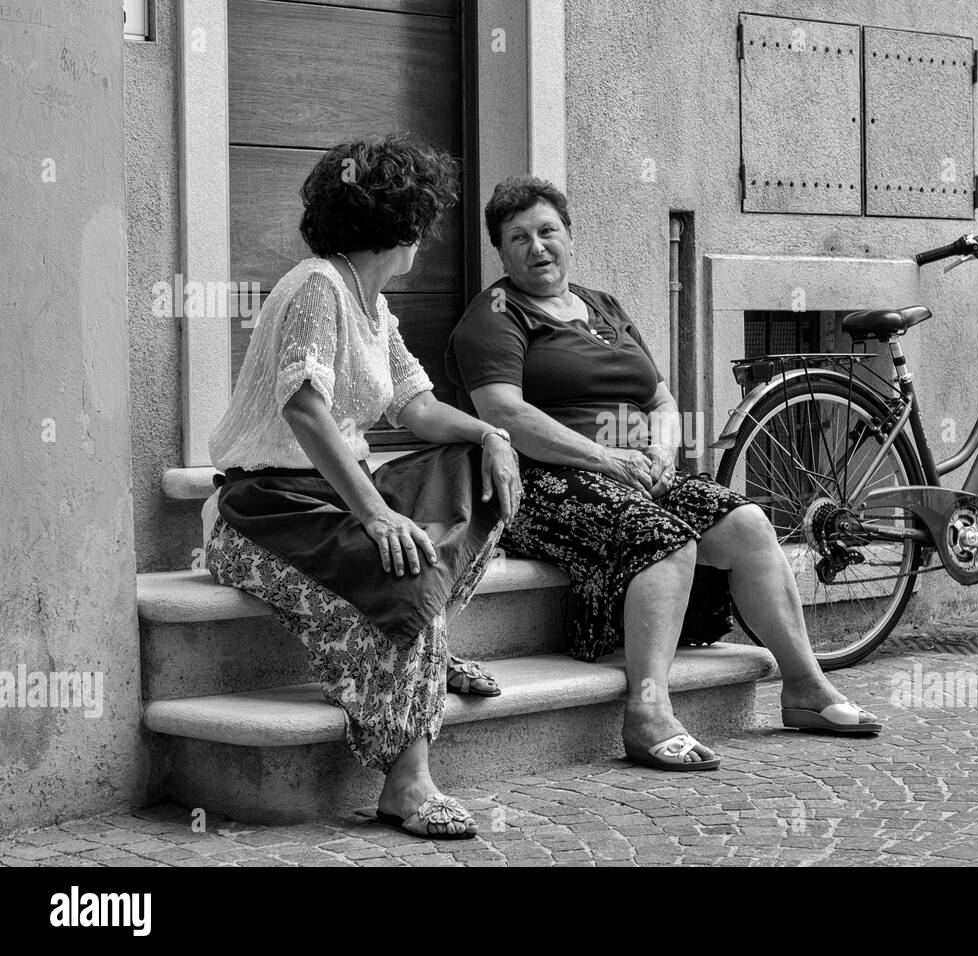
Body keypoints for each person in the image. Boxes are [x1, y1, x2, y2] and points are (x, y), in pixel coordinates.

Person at [445, 176, 883, 772]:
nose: (536, 247)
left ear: (569, 236)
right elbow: (505, 414)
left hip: (635, 468)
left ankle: (805, 687)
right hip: (543, 479)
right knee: (665, 538)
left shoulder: (603, 306)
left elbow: (661, 398)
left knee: (749, 523)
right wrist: (609, 457)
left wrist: (664, 455)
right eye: (517, 238)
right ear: (500, 250)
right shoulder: (495, 313)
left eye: (548, 231)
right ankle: (647, 711)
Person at [203, 135, 523, 838]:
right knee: (400, 573)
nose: (428, 235)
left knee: (475, 476)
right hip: (266, 507)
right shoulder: (318, 285)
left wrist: (489, 436)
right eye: (426, 220)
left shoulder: (372, 305)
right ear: (408, 225)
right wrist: (376, 513)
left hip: (334, 492)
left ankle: (428, 646)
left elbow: (416, 407)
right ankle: (407, 785)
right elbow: (303, 407)